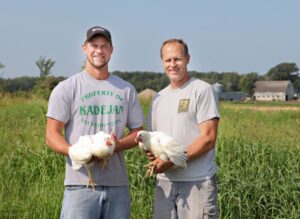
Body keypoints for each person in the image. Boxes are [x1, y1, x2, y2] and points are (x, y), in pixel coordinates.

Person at [46, 26, 144, 219]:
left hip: (117, 186)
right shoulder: (66, 88)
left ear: (111, 50)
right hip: (79, 185)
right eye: (94, 45)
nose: (99, 50)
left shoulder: (126, 89)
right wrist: (74, 152)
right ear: (84, 48)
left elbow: (138, 133)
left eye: (104, 46)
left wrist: (114, 146)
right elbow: (51, 135)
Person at [146, 39, 220, 219]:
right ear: (162, 62)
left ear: (188, 59)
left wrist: (171, 161)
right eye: (168, 60)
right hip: (165, 183)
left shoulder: (202, 90)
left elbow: (208, 138)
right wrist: (152, 155)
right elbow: (154, 138)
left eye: (177, 59)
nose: (173, 65)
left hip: (197, 182)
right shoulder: (158, 99)